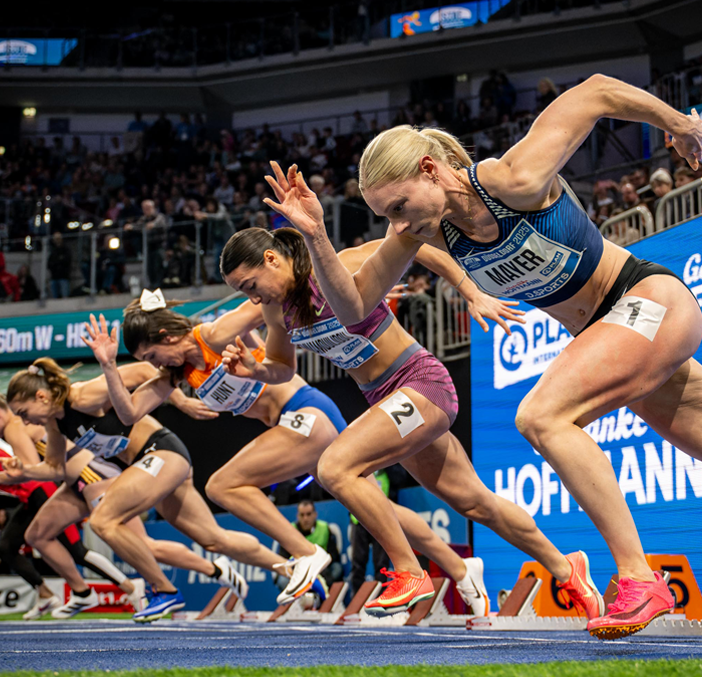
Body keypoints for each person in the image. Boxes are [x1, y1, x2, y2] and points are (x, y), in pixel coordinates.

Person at [292, 74, 702, 639]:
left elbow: (593, 92)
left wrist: (678, 123)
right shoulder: (423, 232)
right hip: (614, 333)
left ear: (430, 169)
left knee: (541, 416)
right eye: (386, 216)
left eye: (398, 207)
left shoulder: (510, 180)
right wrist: (317, 235)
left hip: (647, 299)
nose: (397, 225)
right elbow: (355, 307)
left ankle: (639, 577)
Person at [218, 220, 600, 619]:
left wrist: (472, 292)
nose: (253, 298)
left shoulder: (339, 266)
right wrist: (255, 370)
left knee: (334, 467)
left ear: (271, 259)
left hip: (420, 382)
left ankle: (409, 572)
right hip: (386, 400)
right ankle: (566, 568)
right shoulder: (277, 311)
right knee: (475, 502)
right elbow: (281, 367)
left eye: (250, 285)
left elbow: (420, 247)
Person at [111, 286, 490, 613]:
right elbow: (129, 412)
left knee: (223, 485)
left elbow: (274, 300)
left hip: (304, 410)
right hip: (293, 427)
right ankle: (461, 568)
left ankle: (306, 553)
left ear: (165, 336)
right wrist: (107, 364)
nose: (154, 365)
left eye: (151, 356)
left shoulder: (214, 334)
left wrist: (356, 297)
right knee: (376, 508)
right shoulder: (177, 375)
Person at [1, 358, 285, 622]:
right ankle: (290, 568)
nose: (25, 422)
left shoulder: (82, 396)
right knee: (213, 539)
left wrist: (182, 402)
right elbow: (53, 469)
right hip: (156, 462)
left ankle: (164, 590)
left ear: (41, 396)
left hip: (160, 451)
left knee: (103, 520)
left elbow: (144, 371)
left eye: (24, 413)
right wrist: (17, 472)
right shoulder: (55, 424)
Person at [0, 378, 217, 617]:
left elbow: (30, 471)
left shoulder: (16, 426)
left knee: (139, 542)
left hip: (93, 477)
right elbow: (44, 469)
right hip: (75, 482)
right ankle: (83, 592)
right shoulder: (31, 420)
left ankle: (208, 571)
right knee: (37, 535)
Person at [0, 432, 135, 620]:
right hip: (29, 498)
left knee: (77, 551)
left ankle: (130, 589)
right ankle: (46, 595)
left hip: (42, 492)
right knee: (6, 548)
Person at [276, 501, 343, 589]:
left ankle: (323, 592)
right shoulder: (290, 531)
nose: (305, 518)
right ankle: (298, 597)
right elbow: (283, 558)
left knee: (337, 568)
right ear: (297, 516)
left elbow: (333, 555)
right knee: (283, 580)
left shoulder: (324, 528)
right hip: (297, 573)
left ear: (315, 514)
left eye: (308, 514)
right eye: (302, 515)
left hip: (321, 570)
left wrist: (319, 567)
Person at [48, 232, 73, 299]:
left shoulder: (66, 249)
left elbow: (66, 261)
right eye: (55, 239)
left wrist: (57, 262)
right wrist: (58, 261)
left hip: (63, 276)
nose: (57, 240)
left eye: (58, 238)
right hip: (54, 277)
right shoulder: (53, 251)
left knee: (65, 297)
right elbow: (50, 263)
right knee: (55, 297)